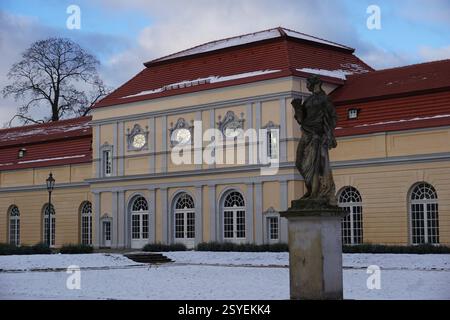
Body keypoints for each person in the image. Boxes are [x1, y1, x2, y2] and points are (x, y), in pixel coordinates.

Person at [291, 75, 338, 205]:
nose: (307, 86)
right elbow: (301, 120)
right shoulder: (309, 100)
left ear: (316, 83)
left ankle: (314, 193)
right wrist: (297, 107)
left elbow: (333, 117)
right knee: (299, 163)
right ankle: (310, 188)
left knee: (315, 165)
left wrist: (326, 133)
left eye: (308, 83)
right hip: (306, 133)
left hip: (317, 135)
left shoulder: (324, 99)